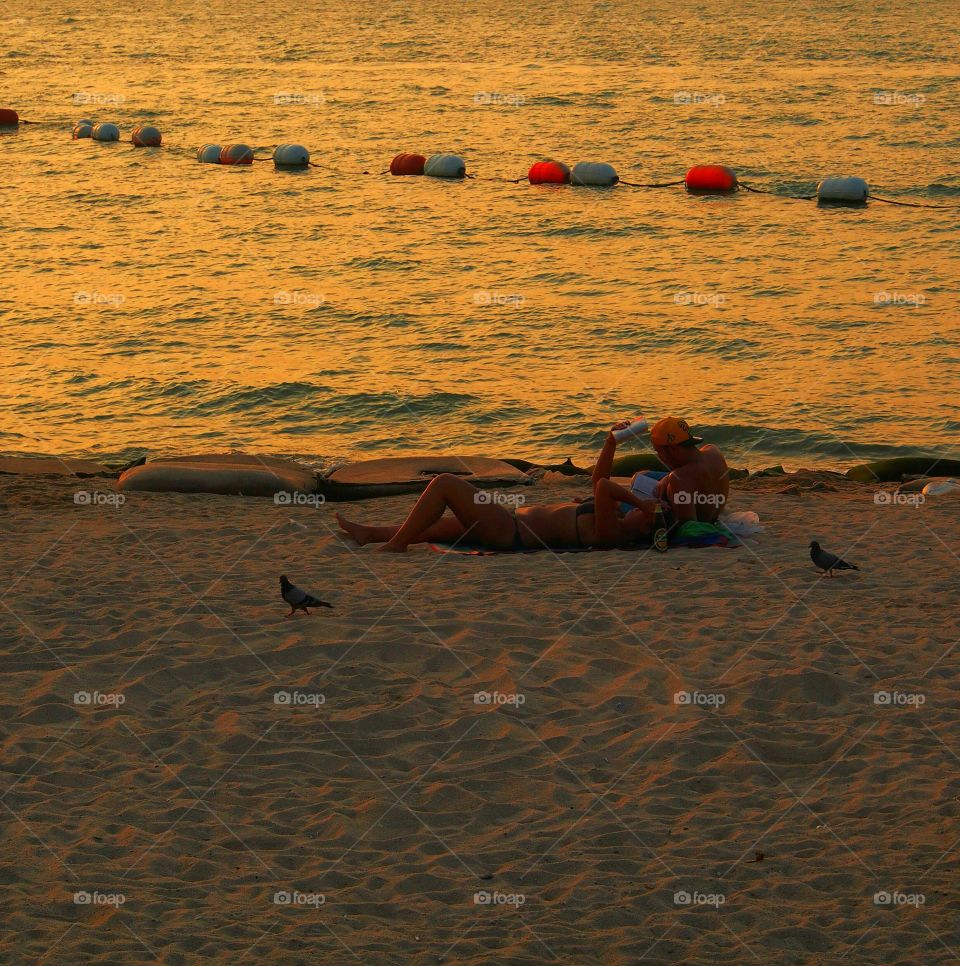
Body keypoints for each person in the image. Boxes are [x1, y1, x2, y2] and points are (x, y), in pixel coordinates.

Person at [335, 420, 658, 553]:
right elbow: (599, 480)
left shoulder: (611, 534)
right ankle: (372, 534)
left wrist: (644, 506)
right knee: (437, 527)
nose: (637, 511)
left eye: (644, 518)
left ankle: (396, 546)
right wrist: (610, 442)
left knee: (445, 483)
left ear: (642, 531)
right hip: (508, 521)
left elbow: (603, 488)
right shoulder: (613, 516)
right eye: (639, 510)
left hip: (509, 532)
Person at [648, 416, 729, 525]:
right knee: (642, 475)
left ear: (673, 449)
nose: (659, 457)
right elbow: (696, 470)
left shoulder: (680, 479)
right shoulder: (713, 451)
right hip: (714, 512)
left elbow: (689, 529)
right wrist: (668, 478)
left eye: (658, 451)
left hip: (702, 520)